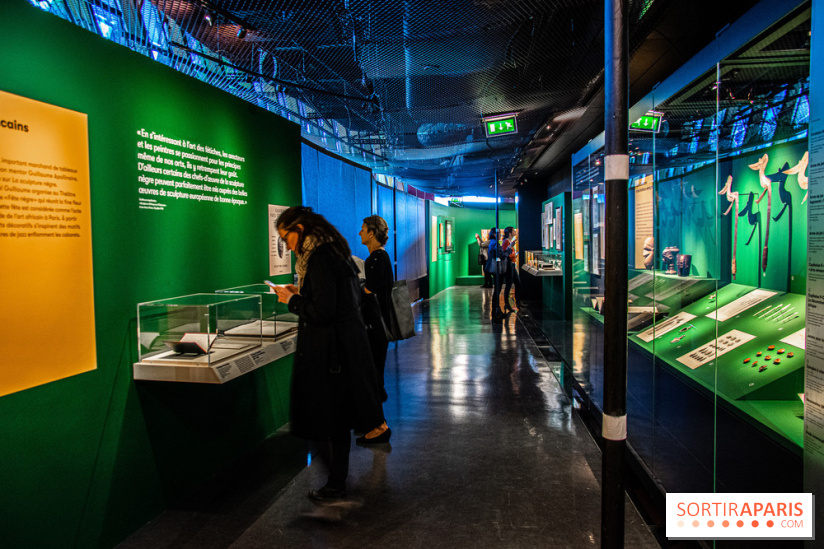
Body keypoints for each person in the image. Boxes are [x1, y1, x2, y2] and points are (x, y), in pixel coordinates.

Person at [272, 206, 384, 502]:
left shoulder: (319, 259)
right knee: (336, 421)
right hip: (343, 353)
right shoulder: (334, 253)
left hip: (329, 357)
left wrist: (292, 299)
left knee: (322, 421)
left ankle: (336, 483)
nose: (286, 246)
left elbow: (322, 312)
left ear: (300, 230)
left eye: (286, 238)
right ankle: (337, 481)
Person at [356, 215, 393, 444]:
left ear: (371, 233)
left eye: (362, 229)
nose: (360, 233)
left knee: (372, 376)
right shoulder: (381, 257)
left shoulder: (374, 260)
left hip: (373, 327)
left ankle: (379, 427)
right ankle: (372, 423)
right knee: (373, 375)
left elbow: (370, 293)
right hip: (380, 326)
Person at [485, 227, 507, 320]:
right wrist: (508, 250)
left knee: (497, 290)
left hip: (495, 268)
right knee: (497, 290)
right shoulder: (494, 243)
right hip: (496, 269)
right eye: (499, 233)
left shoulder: (493, 243)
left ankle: (496, 310)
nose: (500, 235)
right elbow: (500, 255)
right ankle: (495, 311)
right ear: (495, 234)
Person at [502, 226, 521, 310]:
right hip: (509, 265)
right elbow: (506, 253)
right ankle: (507, 304)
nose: (515, 232)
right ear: (510, 233)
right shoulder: (506, 242)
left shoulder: (509, 241)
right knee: (509, 284)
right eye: (513, 231)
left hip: (512, 264)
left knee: (517, 282)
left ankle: (518, 302)